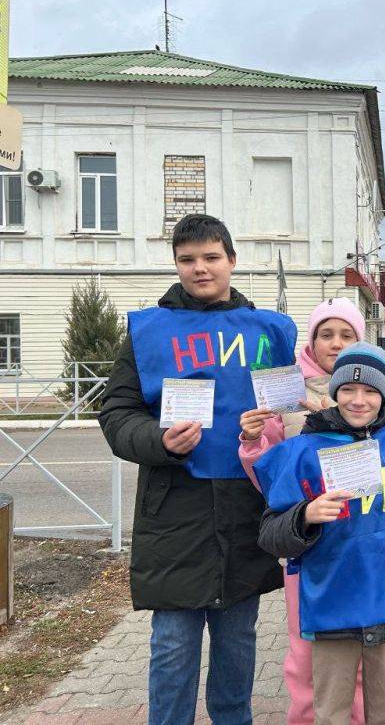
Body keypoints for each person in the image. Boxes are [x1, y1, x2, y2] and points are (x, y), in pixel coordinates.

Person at [98, 214, 297, 725]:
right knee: (172, 646)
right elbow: (117, 414)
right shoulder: (148, 333)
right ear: (176, 265)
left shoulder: (268, 333)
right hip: (173, 512)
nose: (199, 268)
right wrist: (160, 441)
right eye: (187, 259)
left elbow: (291, 416)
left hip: (243, 510)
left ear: (232, 261)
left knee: (238, 645)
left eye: (211, 257)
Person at [255, 343, 385, 725]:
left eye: (370, 390)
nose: (358, 400)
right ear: (334, 391)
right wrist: (305, 515)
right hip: (332, 606)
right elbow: (269, 532)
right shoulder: (304, 450)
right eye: (348, 389)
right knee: (329, 712)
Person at [239, 297, 366, 725]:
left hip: (365, 546)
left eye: (346, 335)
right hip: (308, 547)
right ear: (311, 341)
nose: (335, 343)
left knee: (363, 652)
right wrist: (252, 441)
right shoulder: (287, 394)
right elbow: (269, 475)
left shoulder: (375, 394)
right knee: (307, 653)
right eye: (325, 334)